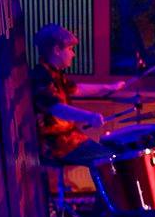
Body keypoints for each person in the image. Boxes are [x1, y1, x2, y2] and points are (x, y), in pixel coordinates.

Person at [30, 24, 125, 166]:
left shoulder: (54, 73)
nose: (73, 54)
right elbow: (56, 108)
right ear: (57, 50)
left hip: (70, 138)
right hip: (57, 145)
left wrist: (108, 87)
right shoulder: (41, 75)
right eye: (70, 49)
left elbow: (78, 89)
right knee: (111, 159)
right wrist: (89, 117)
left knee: (113, 153)